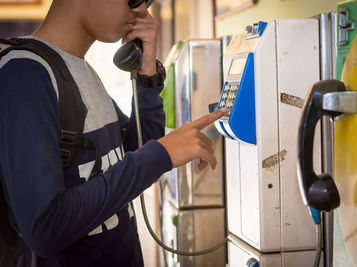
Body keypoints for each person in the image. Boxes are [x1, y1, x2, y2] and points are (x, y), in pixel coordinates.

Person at [0, 0, 226, 266]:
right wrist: (158, 154)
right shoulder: (25, 75)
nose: (142, 10)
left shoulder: (79, 69)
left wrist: (146, 72)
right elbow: (44, 228)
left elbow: (137, 149)